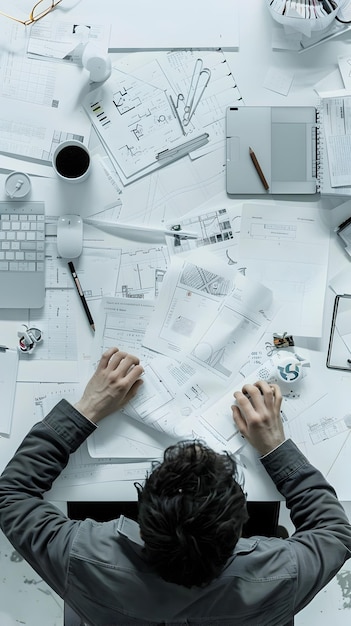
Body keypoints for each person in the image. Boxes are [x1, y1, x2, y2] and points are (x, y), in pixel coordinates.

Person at [0, 347, 350, 626]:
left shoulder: (84, 557)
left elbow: (11, 496)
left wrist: (88, 408)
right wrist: (275, 446)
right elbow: (336, 533)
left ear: (139, 518)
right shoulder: (280, 575)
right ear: (243, 528)